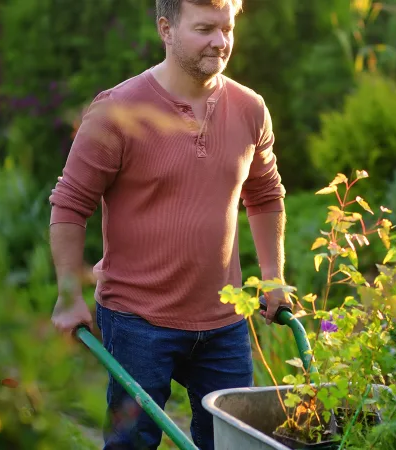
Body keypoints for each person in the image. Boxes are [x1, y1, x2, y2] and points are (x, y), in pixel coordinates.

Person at [48, 0, 290, 448]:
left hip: (225, 321)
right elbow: (69, 204)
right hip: (138, 320)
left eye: (227, 28)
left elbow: (266, 195)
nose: (220, 42)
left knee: (232, 442)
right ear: (166, 29)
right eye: (204, 29)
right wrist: (68, 295)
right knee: (132, 443)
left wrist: (274, 279)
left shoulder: (250, 109)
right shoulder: (117, 111)